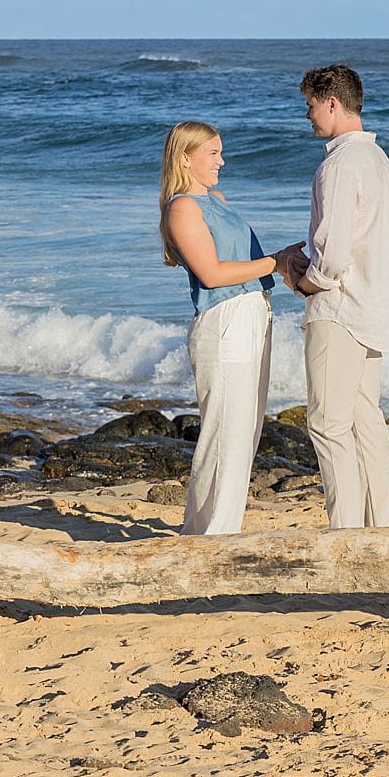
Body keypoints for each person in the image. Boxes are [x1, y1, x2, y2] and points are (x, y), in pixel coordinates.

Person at [276, 63, 389, 529]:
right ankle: (379, 528)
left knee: (327, 424)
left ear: (332, 102)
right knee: (365, 420)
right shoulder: (379, 161)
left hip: (341, 311)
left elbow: (333, 255)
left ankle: (346, 533)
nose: (307, 115)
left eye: (310, 105)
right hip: (374, 307)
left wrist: (304, 282)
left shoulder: (340, 165)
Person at [160, 121, 279, 535]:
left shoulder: (218, 201)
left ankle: (205, 529)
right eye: (213, 153)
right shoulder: (183, 207)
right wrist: (275, 263)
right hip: (225, 320)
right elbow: (211, 274)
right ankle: (215, 537)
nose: (222, 161)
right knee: (225, 432)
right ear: (185, 159)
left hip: (253, 314)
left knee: (243, 431)